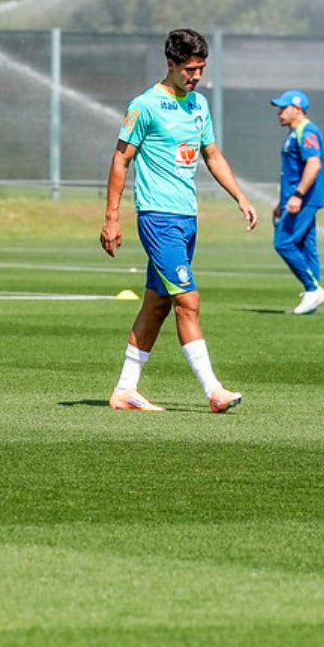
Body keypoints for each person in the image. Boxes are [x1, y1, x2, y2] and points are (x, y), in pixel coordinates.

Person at [100, 28, 258, 414]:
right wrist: (111, 218)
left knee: (157, 304)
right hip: (158, 217)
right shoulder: (145, 105)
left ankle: (125, 391)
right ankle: (214, 391)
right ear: (170, 64)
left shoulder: (198, 106)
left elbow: (213, 155)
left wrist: (240, 196)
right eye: (189, 69)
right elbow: (121, 160)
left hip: (187, 219)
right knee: (188, 300)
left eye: (201, 69)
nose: (196, 76)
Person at [270, 89, 324, 315]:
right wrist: (281, 201)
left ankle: (313, 289)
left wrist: (299, 196)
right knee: (306, 246)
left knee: (283, 242)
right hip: (295, 199)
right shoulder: (294, 133)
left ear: (297, 109)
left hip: (304, 200)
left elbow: (313, 165)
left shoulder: (307, 130)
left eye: (283, 108)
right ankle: (311, 303)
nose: (279, 112)